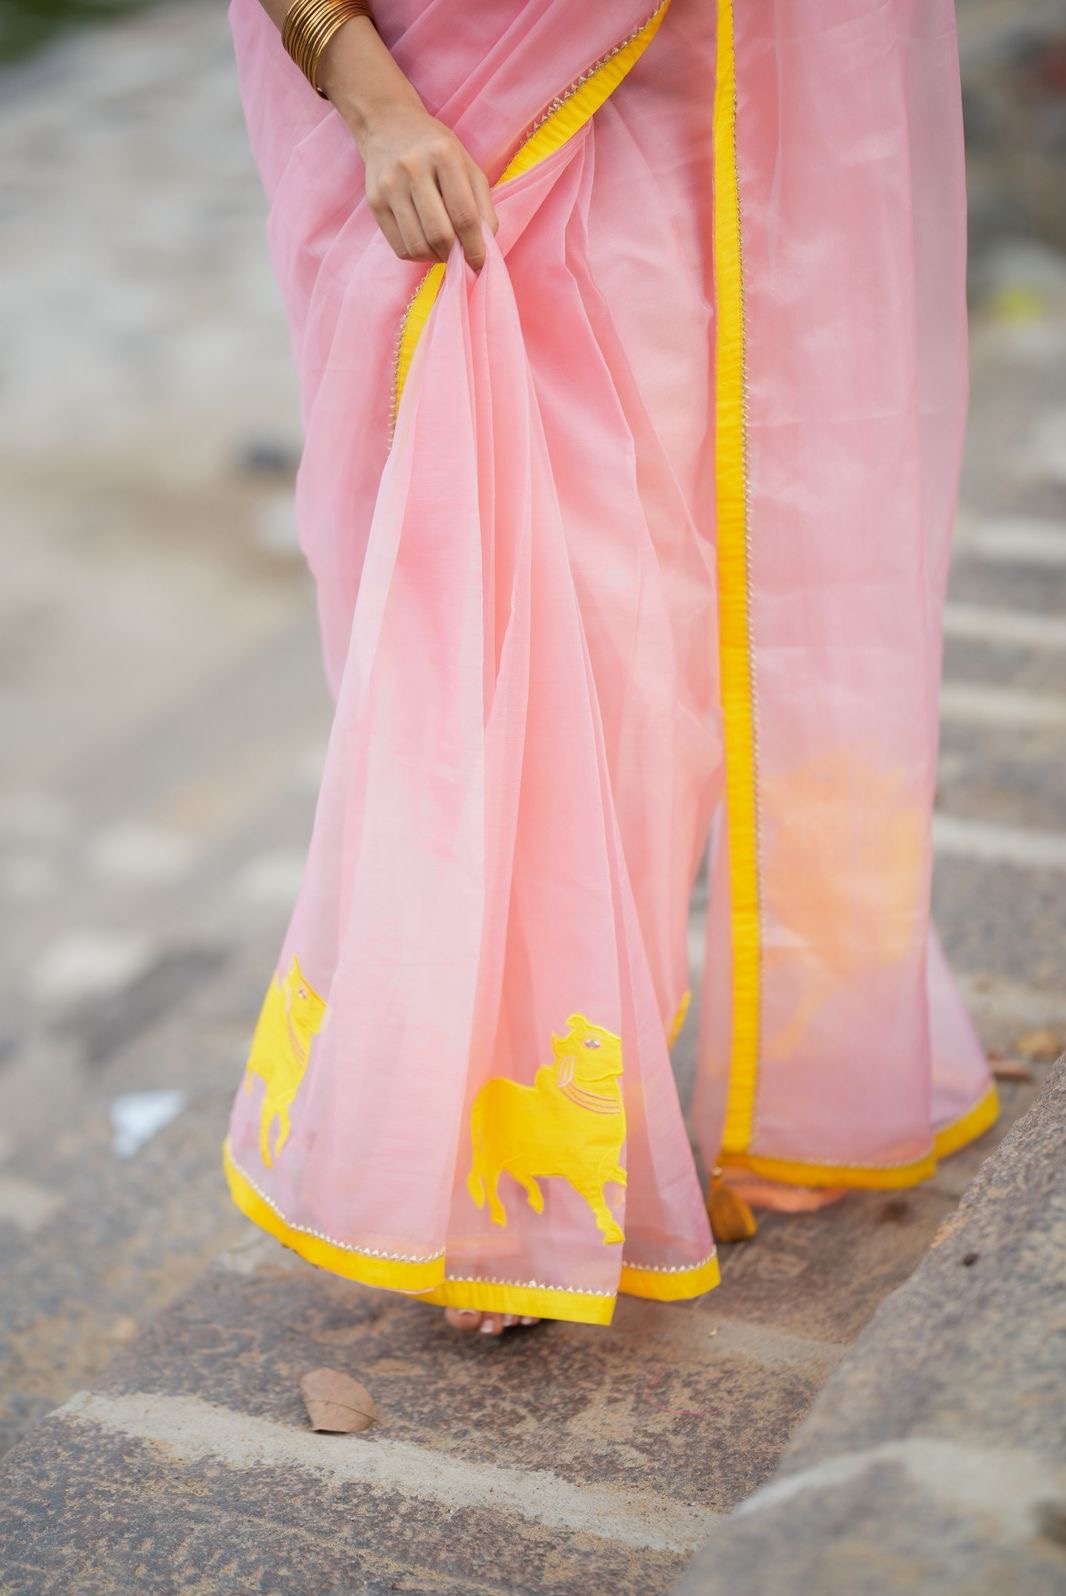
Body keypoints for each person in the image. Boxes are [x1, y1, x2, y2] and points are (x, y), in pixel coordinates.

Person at [221, 0, 998, 1338]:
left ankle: (573, 1132)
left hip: (698, 101)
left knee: (644, 636)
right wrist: (377, 105)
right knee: (480, 610)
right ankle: (502, 1166)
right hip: (447, 112)